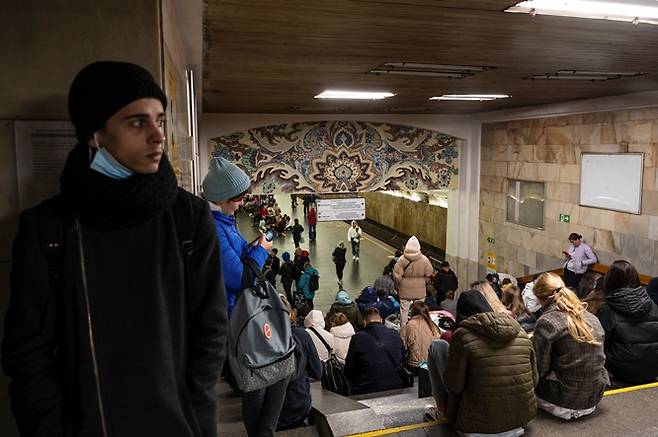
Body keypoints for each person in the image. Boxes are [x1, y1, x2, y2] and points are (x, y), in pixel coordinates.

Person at [1, 61, 227, 437]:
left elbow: (210, 330)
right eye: (137, 122)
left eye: (159, 119)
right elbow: (28, 355)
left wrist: (198, 421)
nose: (157, 136)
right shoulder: (48, 228)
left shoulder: (188, 218)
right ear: (95, 136)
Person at [425, 290, 537, 435]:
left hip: (475, 427)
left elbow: (454, 386)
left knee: (437, 346)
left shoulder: (463, 335)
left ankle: (441, 411)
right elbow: (534, 380)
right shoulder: (520, 332)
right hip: (521, 421)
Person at [531, 272, 608, 420]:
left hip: (561, 401)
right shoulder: (592, 318)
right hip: (593, 398)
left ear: (543, 298)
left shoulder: (546, 322)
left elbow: (539, 370)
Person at [597, 260, 658, 384]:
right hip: (652, 369)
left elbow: (596, 343)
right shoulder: (653, 306)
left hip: (619, 372)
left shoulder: (606, 311)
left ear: (609, 281)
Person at [277, 295, 323, 431]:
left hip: (272, 410)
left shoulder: (261, 337)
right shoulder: (302, 335)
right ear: (290, 314)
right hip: (299, 404)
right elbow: (317, 372)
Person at [344, 308, 407, 395]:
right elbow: (403, 358)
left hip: (367, 387)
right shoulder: (394, 334)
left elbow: (350, 367)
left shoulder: (358, 338)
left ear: (364, 322)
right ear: (381, 320)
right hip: (396, 383)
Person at [393, 236, 435, 327]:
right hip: (420, 290)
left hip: (405, 290)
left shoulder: (402, 259)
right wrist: (423, 281)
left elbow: (397, 276)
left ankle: (403, 330)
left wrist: (399, 284)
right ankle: (418, 328)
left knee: (404, 312)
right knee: (419, 311)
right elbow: (430, 273)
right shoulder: (424, 259)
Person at [399, 301, 441, 374]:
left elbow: (402, 346)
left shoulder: (409, 325)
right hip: (433, 364)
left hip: (416, 365)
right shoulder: (433, 325)